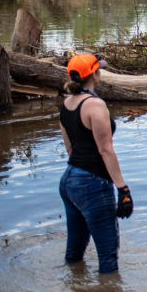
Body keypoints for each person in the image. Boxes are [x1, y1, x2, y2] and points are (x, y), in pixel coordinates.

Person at [58, 53, 133, 274]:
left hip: (69, 181)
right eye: (99, 69)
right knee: (108, 256)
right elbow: (105, 149)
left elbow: (70, 148)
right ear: (94, 75)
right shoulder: (95, 105)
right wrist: (123, 189)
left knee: (74, 253)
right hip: (93, 184)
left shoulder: (66, 104)